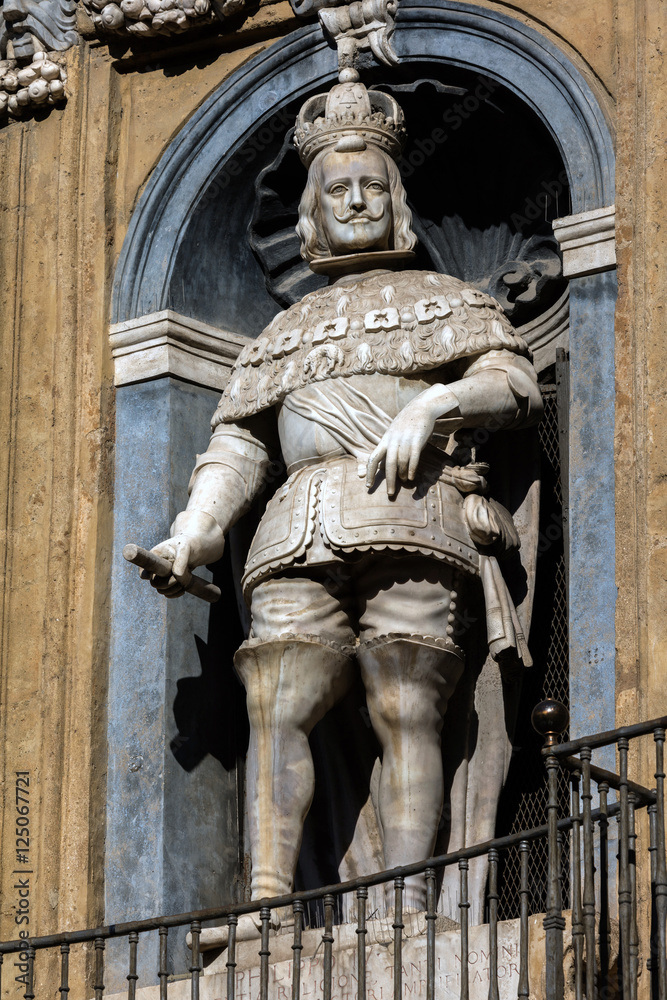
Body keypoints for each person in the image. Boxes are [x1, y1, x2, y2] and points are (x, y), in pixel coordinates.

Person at [139, 76, 542, 936]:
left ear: (396, 200)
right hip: (295, 525)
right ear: (312, 214)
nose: (355, 200)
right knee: (276, 702)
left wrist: (436, 405)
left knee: (405, 702)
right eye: (337, 190)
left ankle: (408, 901)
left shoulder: (449, 300)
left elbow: (513, 385)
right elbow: (238, 445)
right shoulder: (277, 334)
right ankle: (267, 904)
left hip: (413, 512)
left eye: (371, 186)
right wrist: (194, 532)